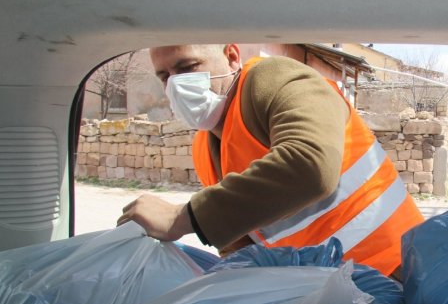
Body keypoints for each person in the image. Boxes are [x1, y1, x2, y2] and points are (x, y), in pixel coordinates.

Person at [117, 44, 424, 277]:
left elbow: (310, 165)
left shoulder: (274, 79)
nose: (175, 84)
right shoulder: (205, 148)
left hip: (397, 271)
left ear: (232, 57)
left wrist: (182, 218)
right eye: (164, 76)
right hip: (328, 286)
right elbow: (241, 243)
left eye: (187, 67)